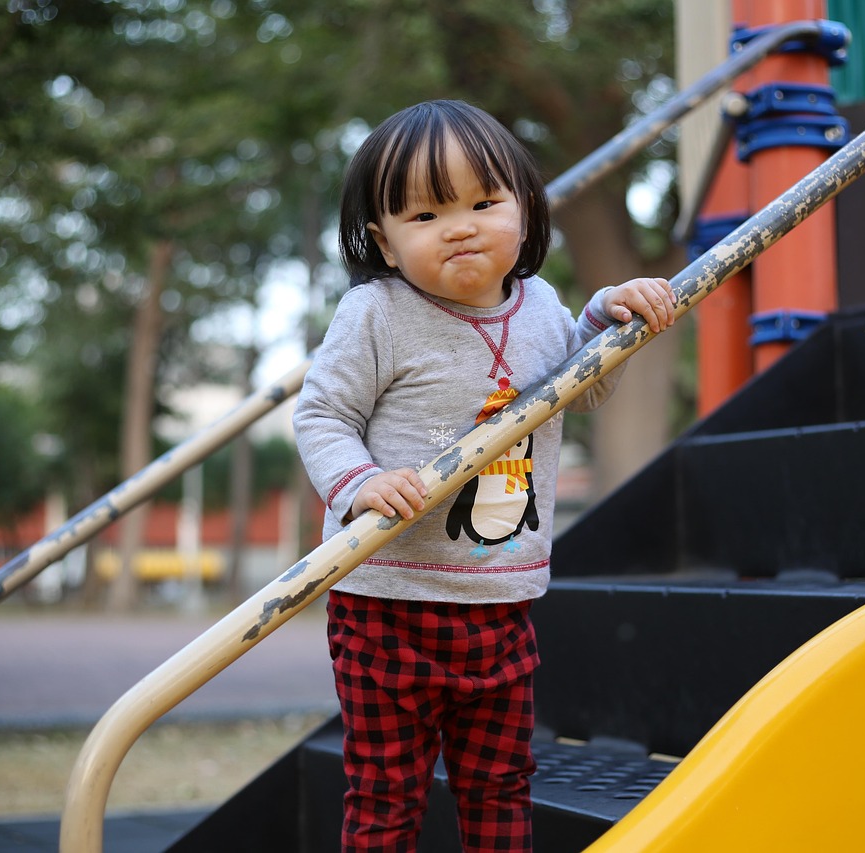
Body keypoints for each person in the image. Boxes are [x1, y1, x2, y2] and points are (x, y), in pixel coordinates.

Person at [294, 98, 676, 853]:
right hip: (388, 600)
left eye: (482, 202)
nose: (460, 225)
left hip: (502, 598)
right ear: (385, 239)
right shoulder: (377, 313)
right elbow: (321, 416)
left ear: (526, 213)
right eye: (426, 215)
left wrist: (609, 319)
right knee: (387, 793)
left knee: (500, 782)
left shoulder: (539, 306)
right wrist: (360, 481)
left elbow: (584, 383)